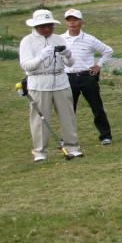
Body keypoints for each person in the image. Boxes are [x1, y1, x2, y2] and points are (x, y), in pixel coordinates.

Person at [19, 9, 84, 161]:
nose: (47, 29)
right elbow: (26, 65)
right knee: (40, 119)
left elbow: (70, 62)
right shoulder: (27, 41)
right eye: (43, 26)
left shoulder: (59, 39)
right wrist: (41, 57)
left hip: (61, 81)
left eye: (49, 25)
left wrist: (68, 54)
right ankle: (40, 152)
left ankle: (72, 147)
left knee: (68, 116)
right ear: (35, 26)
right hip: (39, 84)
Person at [61, 8, 114, 144]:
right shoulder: (60, 39)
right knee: (68, 110)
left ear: (81, 21)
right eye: (69, 20)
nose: (72, 23)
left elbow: (108, 51)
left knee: (97, 107)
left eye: (75, 19)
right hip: (68, 78)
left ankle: (105, 135)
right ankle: (67, 137)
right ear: (66, 22)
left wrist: (98, 65)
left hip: (87, 77)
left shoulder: (89, 39)